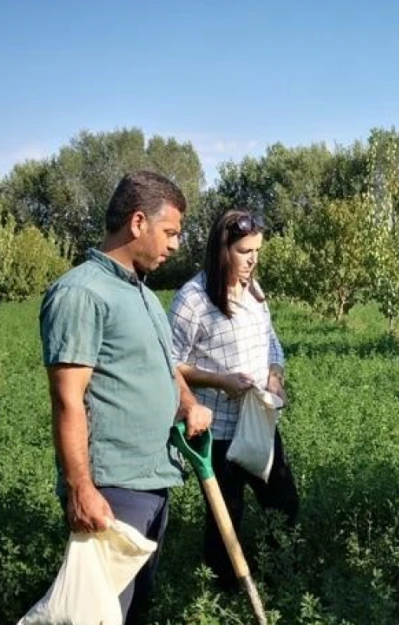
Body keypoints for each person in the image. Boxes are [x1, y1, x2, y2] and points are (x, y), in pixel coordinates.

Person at [38, 170, 213, 624]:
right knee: (97, 614)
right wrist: (81, 487)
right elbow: (67, 400)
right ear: (138, 222)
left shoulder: (140, 293)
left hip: (152, 478)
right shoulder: (81, 293)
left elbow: (163, 370)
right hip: (112, 489)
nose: (175, 245)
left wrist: (188, 404)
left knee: (133, 607)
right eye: (170, 232)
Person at [168, 207, 298, 592]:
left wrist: (274, 378)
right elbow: (168, 363)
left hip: (258, 423)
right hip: (218, 432)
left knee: (285, 505)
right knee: (226, 517)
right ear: (223, 249)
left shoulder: (254, 290)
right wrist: (219, 381)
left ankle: (279, 582)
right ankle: (225, 595)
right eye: (245, 251)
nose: (253, 259)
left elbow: (272, 343)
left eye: (257, 250)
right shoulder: (192, 299)